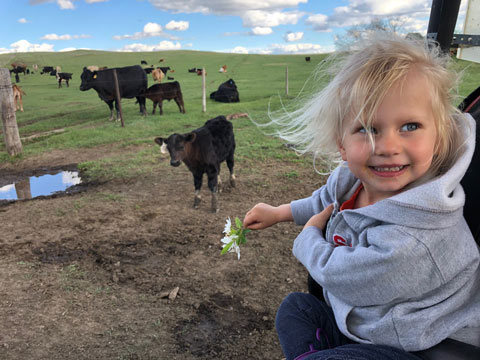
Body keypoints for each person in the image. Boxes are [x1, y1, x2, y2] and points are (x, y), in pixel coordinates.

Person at [243, 32, 480, 360]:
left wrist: (310, 236)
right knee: (295, 310)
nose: (386, 147)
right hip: (374, 323)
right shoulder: (353, 179)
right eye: (367, 129)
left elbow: (339, 273)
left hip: (424, 345)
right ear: (341, 144)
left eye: (409, 126)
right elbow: (324, 201)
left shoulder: (419, 236)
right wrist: (279, 212)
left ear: (439, 138)